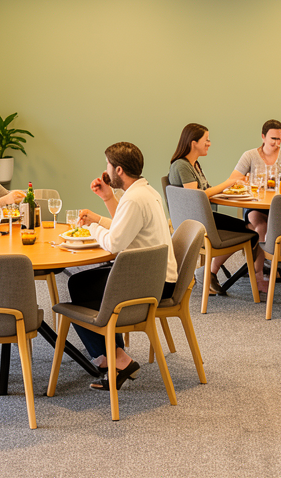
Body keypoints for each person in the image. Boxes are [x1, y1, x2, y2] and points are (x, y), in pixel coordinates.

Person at [74, 142, 176, 391]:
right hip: (158, 277)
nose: (106, 170)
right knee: (83, 284)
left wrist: (91, 227)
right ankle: (113, 355)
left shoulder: (133, 199)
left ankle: (115, 358)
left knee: (78, 288)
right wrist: (107, 198)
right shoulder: (145, 192)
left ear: (118, 170)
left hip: (151, 284)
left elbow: (114, 243)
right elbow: (126, 228)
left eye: (108, 165)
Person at [166, 123, 260, 296]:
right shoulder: (181, 165)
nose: (209, 143)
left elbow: (207, 191)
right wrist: (228, 182)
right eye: (206, 140)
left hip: (202, 217)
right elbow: (197, 196)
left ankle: (211, 271)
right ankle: (209, 272)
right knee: (251, 232)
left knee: (250, 230)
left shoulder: (194, 164)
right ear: (193, 143)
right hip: (197, 222)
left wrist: (232, 188)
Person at [232, 119, 281, 273]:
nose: (276, 143)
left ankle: (269, 263)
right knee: (261, 226)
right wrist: (246, 180)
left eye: (279, 139)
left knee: (273, 226)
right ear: (263, 136)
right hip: (256, 205)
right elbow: (233, 180)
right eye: (273, 138)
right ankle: (260, 272)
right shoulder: (250, 155)